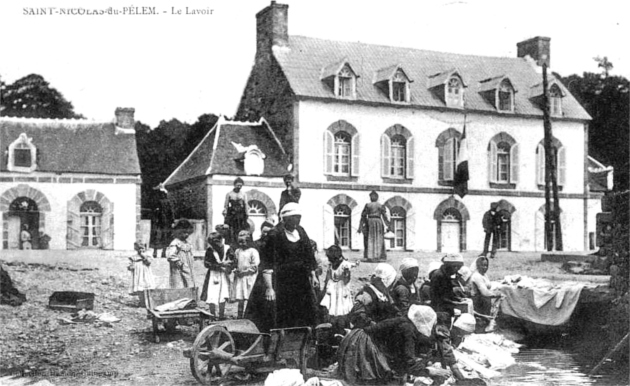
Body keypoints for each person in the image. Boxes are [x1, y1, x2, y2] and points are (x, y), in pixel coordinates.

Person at [338, 304, 471, 384]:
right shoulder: (407, 330)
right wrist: (431, 371)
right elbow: (408, 362)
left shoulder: (408, 324)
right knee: (370, 376)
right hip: (362, 343)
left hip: (363, 339)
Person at [245, 202, 320, 332]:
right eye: (293, 218)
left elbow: (308, 256)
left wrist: (313, 275)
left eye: (298, 217)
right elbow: (267, 263)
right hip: (279, 282)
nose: (297, 221)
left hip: (299, 281)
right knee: (278, 314)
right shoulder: (275, 234)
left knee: (303, 312)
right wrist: (269, 288)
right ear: (285, 219)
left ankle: (300, 340)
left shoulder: (301, 232)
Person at [348, 263, 400, 328]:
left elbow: (393, 309)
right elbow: (358, 316)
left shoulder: (384, 295)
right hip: (368, 331)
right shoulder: (366, 295)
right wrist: (375, 325)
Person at [201, 231, 234, 319]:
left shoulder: (228, 249)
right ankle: (212, 314)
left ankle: (221, 315)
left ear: (221, 240)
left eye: (217, 242)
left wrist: (229, 266)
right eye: (213, 244)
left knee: (223, 293)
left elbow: (233, 261)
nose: (216, 246)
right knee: (212, 294)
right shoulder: (210, 250)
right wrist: (220, 265)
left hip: (223, 274)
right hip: (213, 274)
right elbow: (207, 263)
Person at [320, 245, 359, 317]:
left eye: (329, 258)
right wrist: (325, 289)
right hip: (332, 289)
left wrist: (346, 273)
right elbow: (328, 278)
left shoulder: (344, 265)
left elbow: (346, 280)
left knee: (342, 308)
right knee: (332, 307)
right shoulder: (331, 265)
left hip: (342, 289)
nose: (328, 260)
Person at [469, 257, 502, 331]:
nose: (485, 267)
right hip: (477, 299)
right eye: (482, 265)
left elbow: (488, 286)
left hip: (482, 297)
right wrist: (496, 294)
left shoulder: (484, 275)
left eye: (486, 265)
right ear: (478, 266)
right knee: (494, 299)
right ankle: (485, 323)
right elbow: (485, 292)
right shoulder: (476, 276)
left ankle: (492, 321)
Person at [233, 230, 260, 319]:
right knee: (240, 298)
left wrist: (244, 272)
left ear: (249, 241)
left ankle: (250, 316)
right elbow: (236, 263)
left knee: (249, 297)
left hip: (250, 277)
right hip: (240, 278)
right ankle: (239, 316)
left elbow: (254, 267)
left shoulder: (253, 251)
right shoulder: (238, 251)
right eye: (240, 242)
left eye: (244, 242)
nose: (242, 244)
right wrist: (236, 270)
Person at [358, 191, 390, 260]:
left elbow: (363, 216)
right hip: (378, 222)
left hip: (369, 222)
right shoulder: (380, 205)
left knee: (370, 238)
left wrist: (360, 227)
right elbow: (385, 217)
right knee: (379, 239)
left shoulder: (368, 205)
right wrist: (388, 225)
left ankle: (370, 256)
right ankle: (378, 256)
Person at [166, 219, 196, 289]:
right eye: (184, 233)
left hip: (188, 266)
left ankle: (190, 295)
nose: (186, 235)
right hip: (179, 267)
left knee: (189, 280)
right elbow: (170, 255)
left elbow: (190, 253)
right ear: (178, 232)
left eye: (188, 233)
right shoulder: (175, 243)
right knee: (179, 281)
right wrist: (177, 261)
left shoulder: (187, 243)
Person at [223, 177, 250, 245]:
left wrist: (247, 214)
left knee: (241, 228)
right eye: (238, 185)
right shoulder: (229, 194)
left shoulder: (243, 194)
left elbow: (246, 204)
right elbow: (226, 205)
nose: (239, 187)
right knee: (231, 230)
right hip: (232, 213)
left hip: (240, 213)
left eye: (241, 185)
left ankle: (240, 242)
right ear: (234, 185)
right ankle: (232, 242)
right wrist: (225, 213)